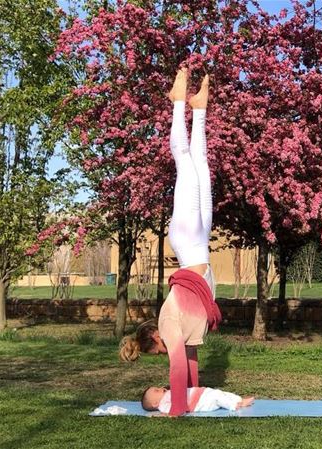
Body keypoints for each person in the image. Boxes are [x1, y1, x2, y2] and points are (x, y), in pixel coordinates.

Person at [118, 68, 222, 417]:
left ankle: (178, 104)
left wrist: (177, 409)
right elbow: (190, 360)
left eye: (158, 352)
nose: (164, 354)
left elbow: (177, 365)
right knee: (202, 168)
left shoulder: (165, 324)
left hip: (187, 238)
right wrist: (192, 396)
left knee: (186, 166)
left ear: (155, 340)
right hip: (200, 241)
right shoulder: (177, 328)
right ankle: (200, 109)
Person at [141, 385, 255, 414]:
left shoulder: (166, 395)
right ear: (155, 403)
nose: (160, 388)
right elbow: (171, 410)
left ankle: (239, 400)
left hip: (201, 393)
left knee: (221, 393)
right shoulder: (162, 405)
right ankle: (234, 405)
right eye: (156, 390)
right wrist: (162, 415)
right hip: (199, 402)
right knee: (216, 396)